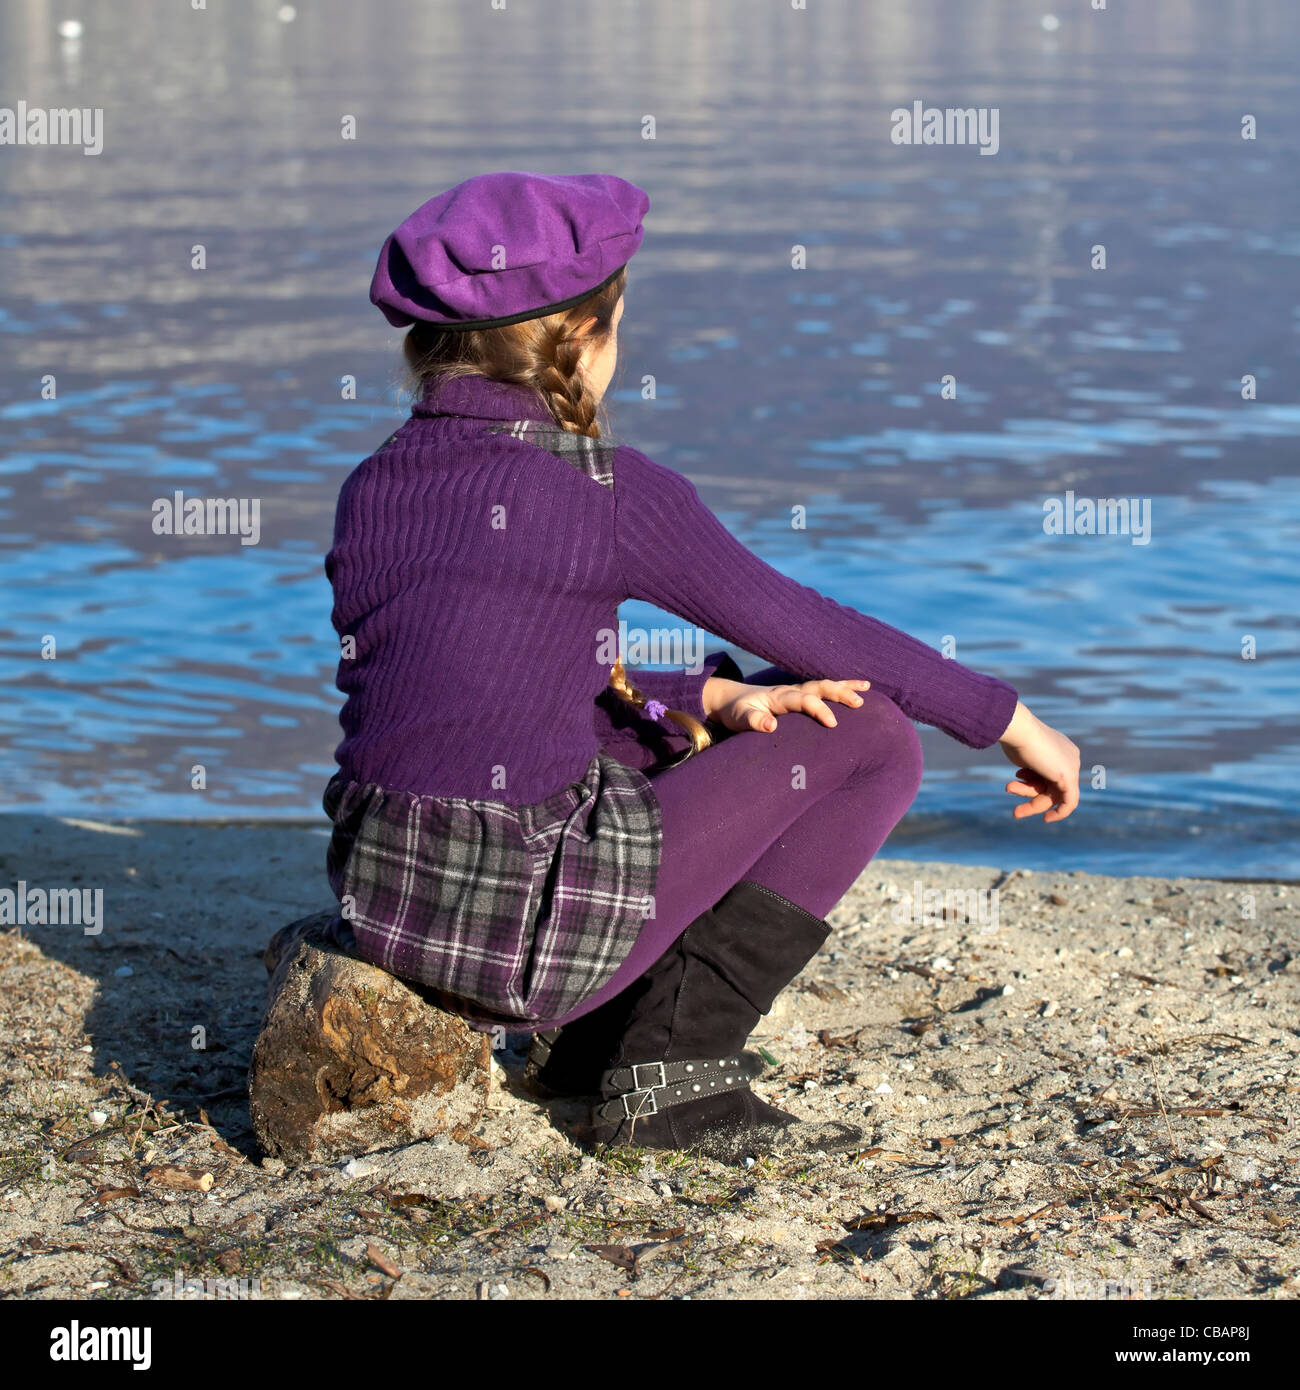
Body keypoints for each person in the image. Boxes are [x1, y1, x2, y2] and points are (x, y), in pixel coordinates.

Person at [322, 171, 1081, 1164]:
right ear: (589, 331)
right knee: (869, 734)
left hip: (384, 899)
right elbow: (817, 630)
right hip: (526, 942)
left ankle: (583, 1045)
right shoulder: (604, 490)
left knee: (709, 706)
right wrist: (1015, 722)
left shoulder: (374, 483)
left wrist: (711, 695)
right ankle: (672, 1078)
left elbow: (489, 671)